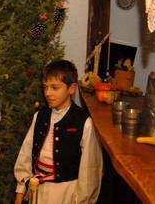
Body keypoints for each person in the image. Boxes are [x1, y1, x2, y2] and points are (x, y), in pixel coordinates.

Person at [14, 60, 103, 204]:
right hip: (37, 191)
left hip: (66, 194)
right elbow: (25, 155)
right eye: (45, 87)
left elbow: (90, 170)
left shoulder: (84, 123)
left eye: (55, 88)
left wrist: (81, 200)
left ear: (72, 88)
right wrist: (21, 189)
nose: (48, 93)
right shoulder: (39, 116)